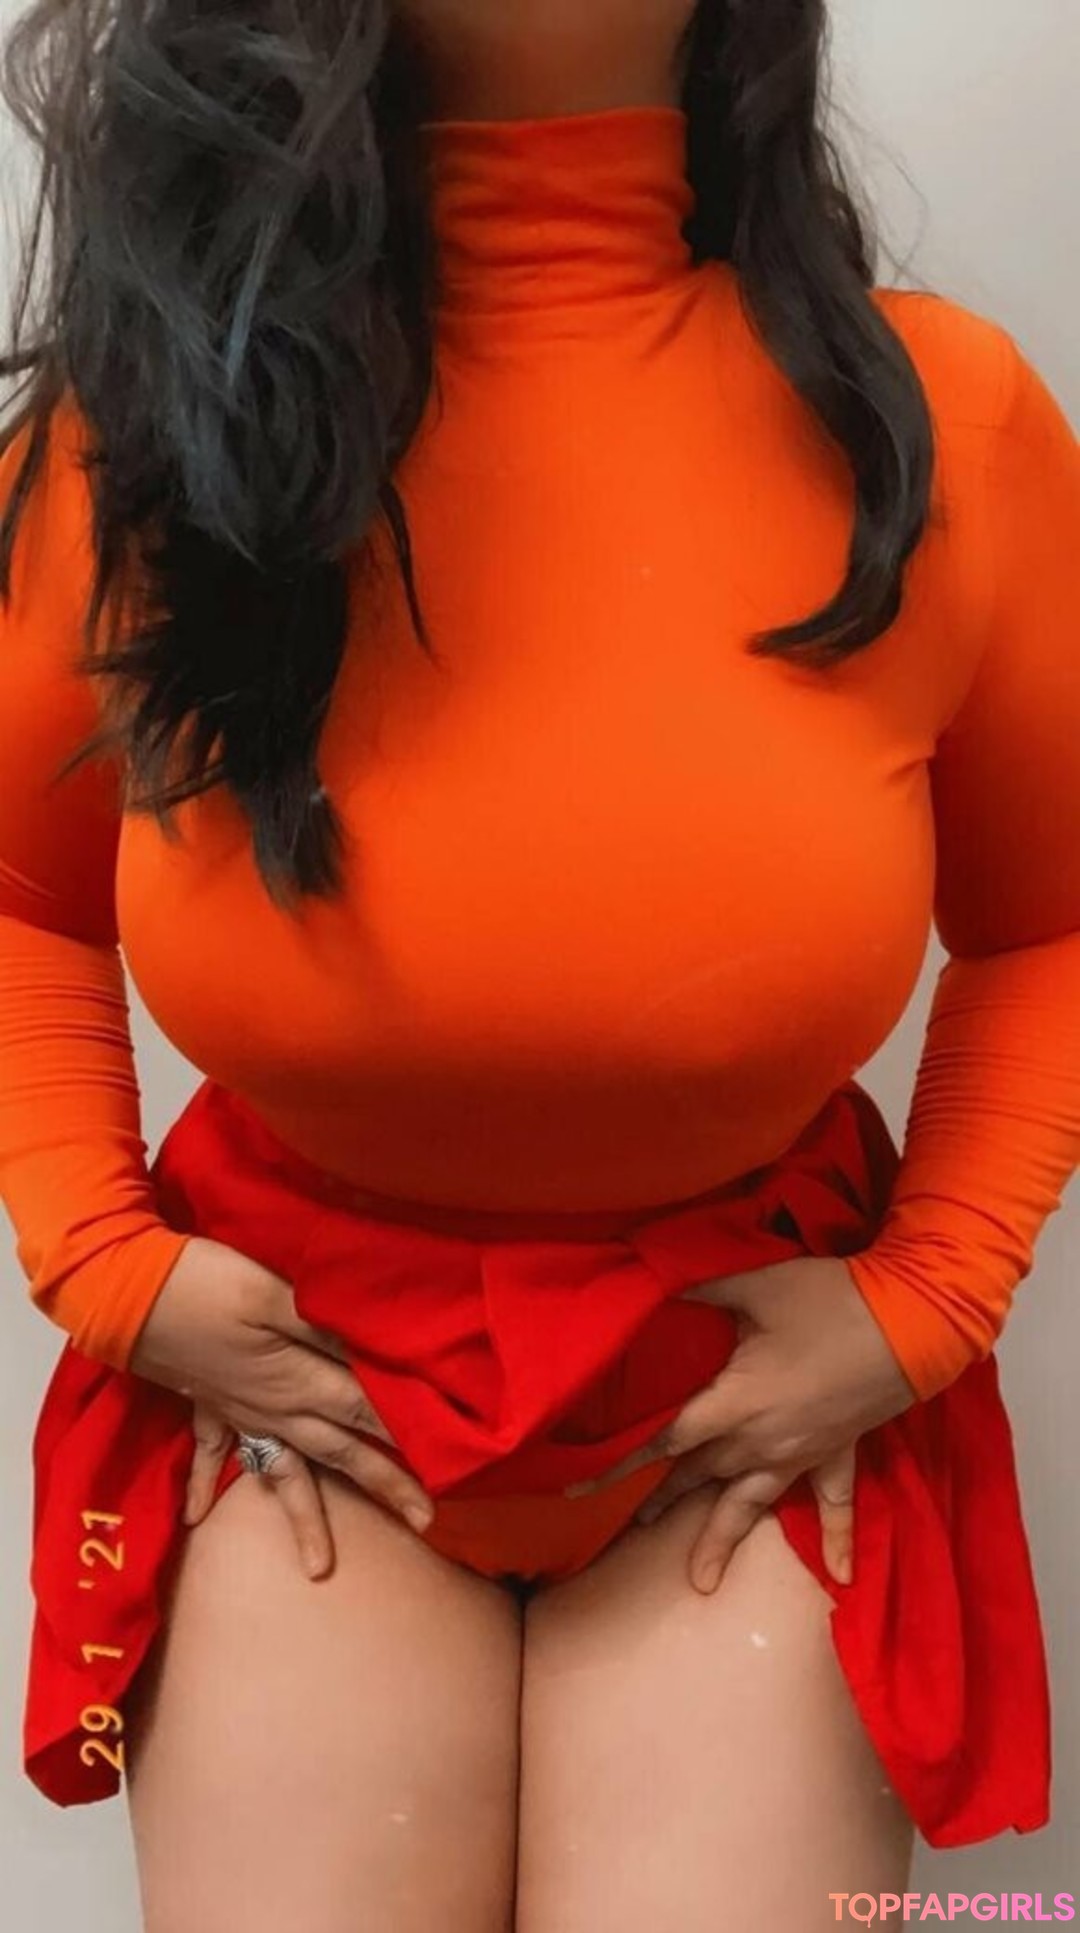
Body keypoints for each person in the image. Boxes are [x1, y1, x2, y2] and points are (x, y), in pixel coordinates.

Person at [0, 0, 1077, 1926]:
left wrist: (933, 1295)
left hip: (738, 1416)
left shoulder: (944, 427)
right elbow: (20, 890)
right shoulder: (145, 440)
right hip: (312, 1393)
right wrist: (97, 1254)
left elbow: (1055, 917)